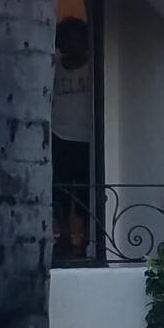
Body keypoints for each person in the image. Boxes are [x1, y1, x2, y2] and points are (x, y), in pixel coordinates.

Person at [52, 17, 94, 258]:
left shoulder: (94, 68)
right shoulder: (54, 68)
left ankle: (85, 240)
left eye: (76, 39)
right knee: (60, 192)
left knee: (86, 194)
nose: (71, 45)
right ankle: (63, 239)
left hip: (88, 139)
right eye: (66, 40)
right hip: (60, 136)